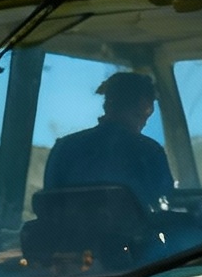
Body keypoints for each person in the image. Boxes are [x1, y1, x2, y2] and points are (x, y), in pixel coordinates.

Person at [41, 72, 174, 209]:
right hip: (131, 230)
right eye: (145, 112)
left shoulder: (63, 148)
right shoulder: (150, 152)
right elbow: (166, 200)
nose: (145, 121)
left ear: (107, 105)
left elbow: (48, 205)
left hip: (69, 230)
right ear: (144, 107)